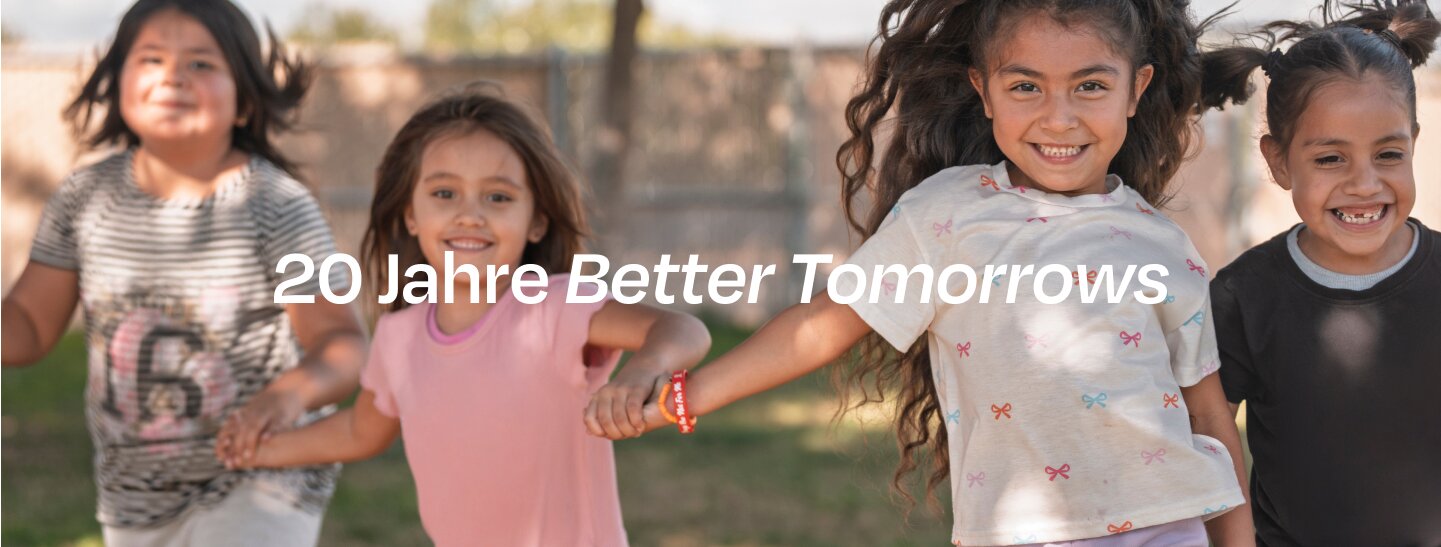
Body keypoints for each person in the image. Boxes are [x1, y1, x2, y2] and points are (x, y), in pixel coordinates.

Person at [589, 1, 1254, 545]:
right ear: (983, 91)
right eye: (1025, 86)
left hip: (1165, 527)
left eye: (1090, 85)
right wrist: (683, 396)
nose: (1059, 116)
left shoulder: (1163, 245)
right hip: (1015, 531)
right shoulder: (945, 217)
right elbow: (821, 325)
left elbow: (1206, 413)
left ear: (1134, 89)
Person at [220, 88, 712, 546]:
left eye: (498, 197)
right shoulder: (398, 337)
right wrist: (256, 450)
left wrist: (645, 370)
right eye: (444, 194)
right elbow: (359, 432)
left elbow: (681, 329)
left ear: (536, 220)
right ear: (411, 214)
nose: (470, 215)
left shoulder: (555, 308)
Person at [1, 1, 366, 545]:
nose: (173, 75)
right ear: (117, 81)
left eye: (201, 63)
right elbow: (29, 325)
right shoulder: (84, 200)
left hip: (263, 478)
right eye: (151, 59)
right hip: (134, 496)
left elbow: (343, 343)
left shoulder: (275, 205)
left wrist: (287, 395)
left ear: (245, 101)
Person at [1201, 1, 1441, 544]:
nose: (1363, 184)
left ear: (1413, 146)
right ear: (1278, 161)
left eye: (1387, 154)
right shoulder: (1243, 297)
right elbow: (1209, 438)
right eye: (1330, 159)